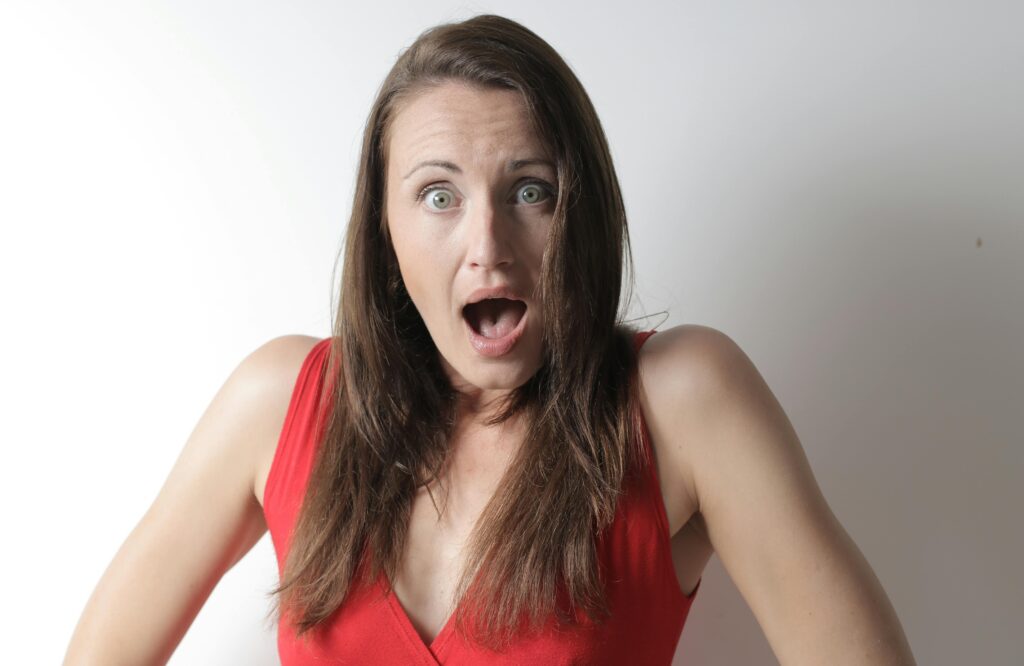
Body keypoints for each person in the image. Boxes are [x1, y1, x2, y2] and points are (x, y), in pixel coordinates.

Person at [64, 13, 916, 665]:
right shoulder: (279, 404)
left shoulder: (684, 400)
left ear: (583, 215)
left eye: (532, 191)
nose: (488, 245)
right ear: (385, 236)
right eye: (439, 196)